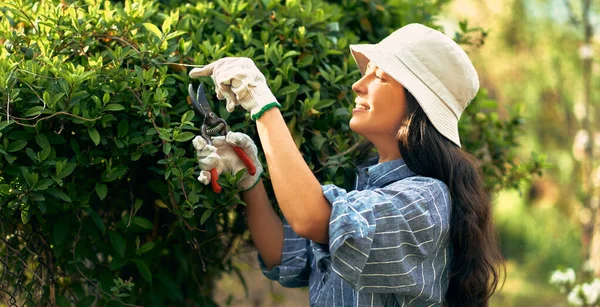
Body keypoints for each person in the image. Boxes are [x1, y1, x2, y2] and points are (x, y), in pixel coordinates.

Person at [189, 23, 504, 307]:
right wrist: (250, 179)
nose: (358, 84)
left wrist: (262, 104)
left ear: (417, 106)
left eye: (379, 76)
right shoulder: (369, 192)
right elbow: (281, 251)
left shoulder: (426, 201)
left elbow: (310, 218)